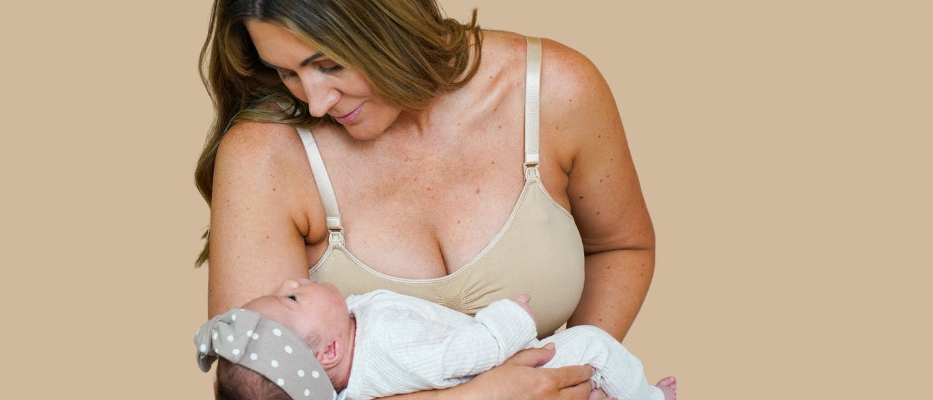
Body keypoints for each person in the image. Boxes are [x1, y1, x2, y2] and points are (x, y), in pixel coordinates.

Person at [195, 1, 656, 398]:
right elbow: (265, 393)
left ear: (388, 21)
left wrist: (573, 376)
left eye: (329, 64)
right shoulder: (264, 156)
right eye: (285, 72)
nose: (315, 102)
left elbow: (619, 247)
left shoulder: (555, 89)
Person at [195, 279, 676, 400]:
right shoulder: (387, 341)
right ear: (329, 352)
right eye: (292, 299)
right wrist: (512, 317)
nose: (290, 282)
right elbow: (469, 353)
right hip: (506, 372)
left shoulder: (346, 357)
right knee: (590, 343)